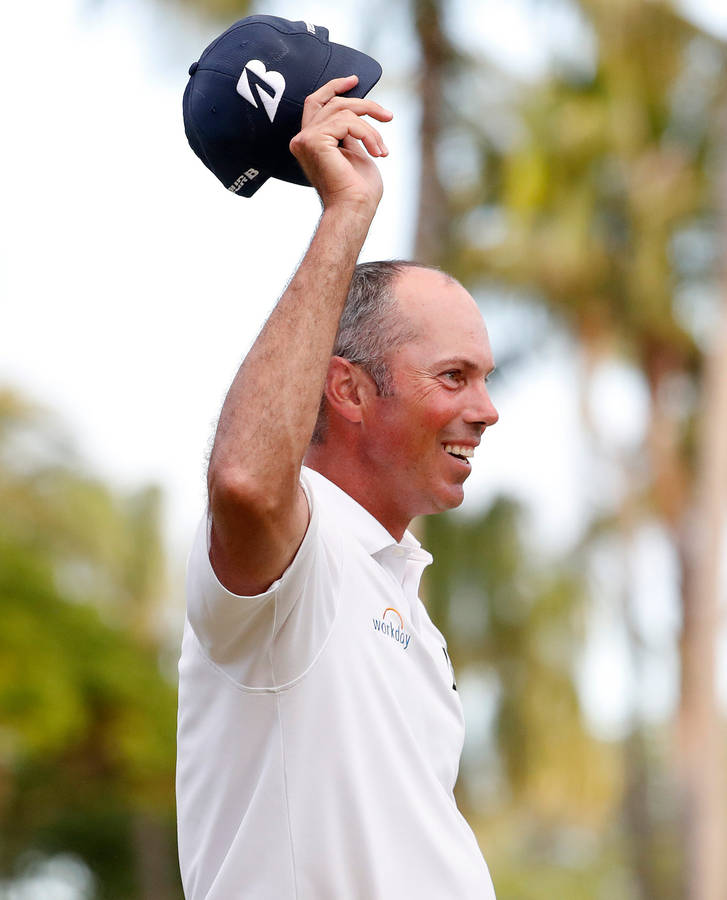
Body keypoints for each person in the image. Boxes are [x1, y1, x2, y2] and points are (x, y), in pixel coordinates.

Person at [176, 75, 499, 900]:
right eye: (453, 377)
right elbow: (247, 481)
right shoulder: (305, 563)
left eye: (482, 379)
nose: (486, 411)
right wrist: (344, 214)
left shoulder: (398, 593)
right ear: (348, 391)